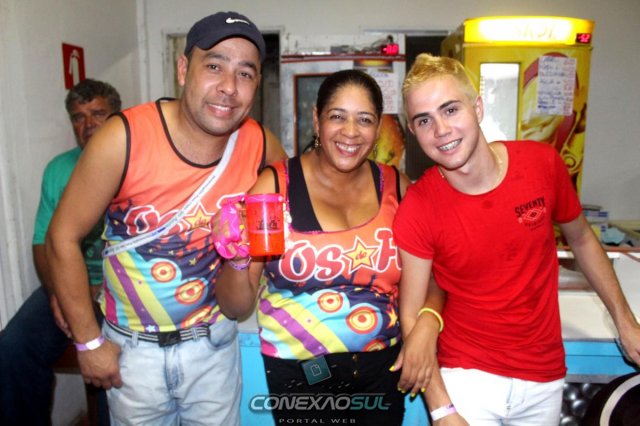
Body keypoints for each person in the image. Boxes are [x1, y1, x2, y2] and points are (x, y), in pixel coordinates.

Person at [45, 11, 286, 426]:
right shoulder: (124, 138)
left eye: (245, 73)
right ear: (183, 69)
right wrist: (88, 342)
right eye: (214, 66)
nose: (229, 87)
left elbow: (294, 208)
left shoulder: (260, 145)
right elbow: (61, 237)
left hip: (213, 349)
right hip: (132, 355)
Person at [392, 53, 640, 425]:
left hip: (543, 374)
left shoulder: (542, 164)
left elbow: (583, 240)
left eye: (450, 110)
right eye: (424, 120)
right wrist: (442, 410)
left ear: (477, 107)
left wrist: (626, 322)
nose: (440, 129)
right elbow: (411, 313)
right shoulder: (418, 206)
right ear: (413, 131)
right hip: (467, 376)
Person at [216, 69, 411, 425]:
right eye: (337, 116)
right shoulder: (275, 186)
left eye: (364, 119)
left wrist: (423, 332)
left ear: (378, 127)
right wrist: (237, 256)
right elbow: (235, 306)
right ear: (317, 120)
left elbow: (426, 279)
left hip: (382, 369)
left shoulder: (397, 187)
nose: (350, 131)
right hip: (300, 373)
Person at [0, 78, 121, 425]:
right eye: (78, 117)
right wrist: (58, 292)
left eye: (98, 113)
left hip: (125, 288)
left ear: (117, 116)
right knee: (12, 348)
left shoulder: (134, 163)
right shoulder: (58, 169)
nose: (88, 124)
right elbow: (43, 242)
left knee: (121, 360)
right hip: (68, 282)